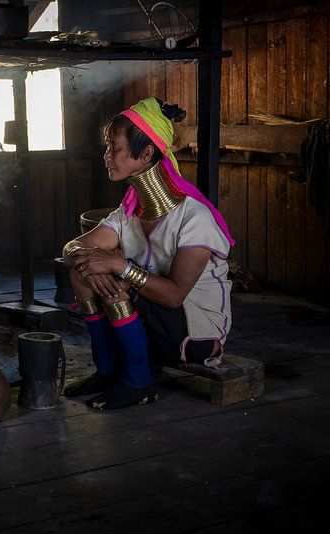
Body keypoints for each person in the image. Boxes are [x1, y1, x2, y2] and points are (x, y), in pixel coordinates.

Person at [62, 97, 235, 410]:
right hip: (152, 322)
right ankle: (108, 370)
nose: (106, 156)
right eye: (106, 146)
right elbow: (74, 247)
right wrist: (83, 258)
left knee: (116, 281)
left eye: (114, 146)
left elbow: (174, 297)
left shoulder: (194, 218)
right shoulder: (127, 213)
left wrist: (120, 266)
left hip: (196, 335)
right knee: (83, 273)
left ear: (145, 153)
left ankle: (139, 382)